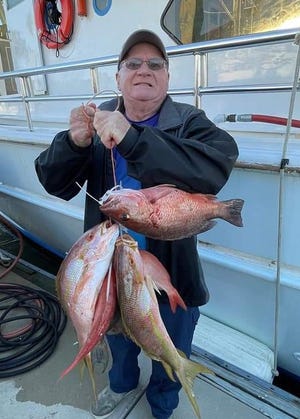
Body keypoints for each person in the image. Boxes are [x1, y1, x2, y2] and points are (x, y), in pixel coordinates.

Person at [35, 29, 239, 419]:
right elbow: (53, 183)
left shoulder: (189, 122)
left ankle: (163, 404)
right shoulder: (96, 124)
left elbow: (218, 164)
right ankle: (121, 384)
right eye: (133, 63)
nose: (144, 70)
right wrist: (73, 142)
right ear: (118, 77)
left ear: (166, 77)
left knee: (172, 343)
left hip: (171, 274)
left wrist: (132, 138)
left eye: (155, 64)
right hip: (107, 269)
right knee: (118, 338)